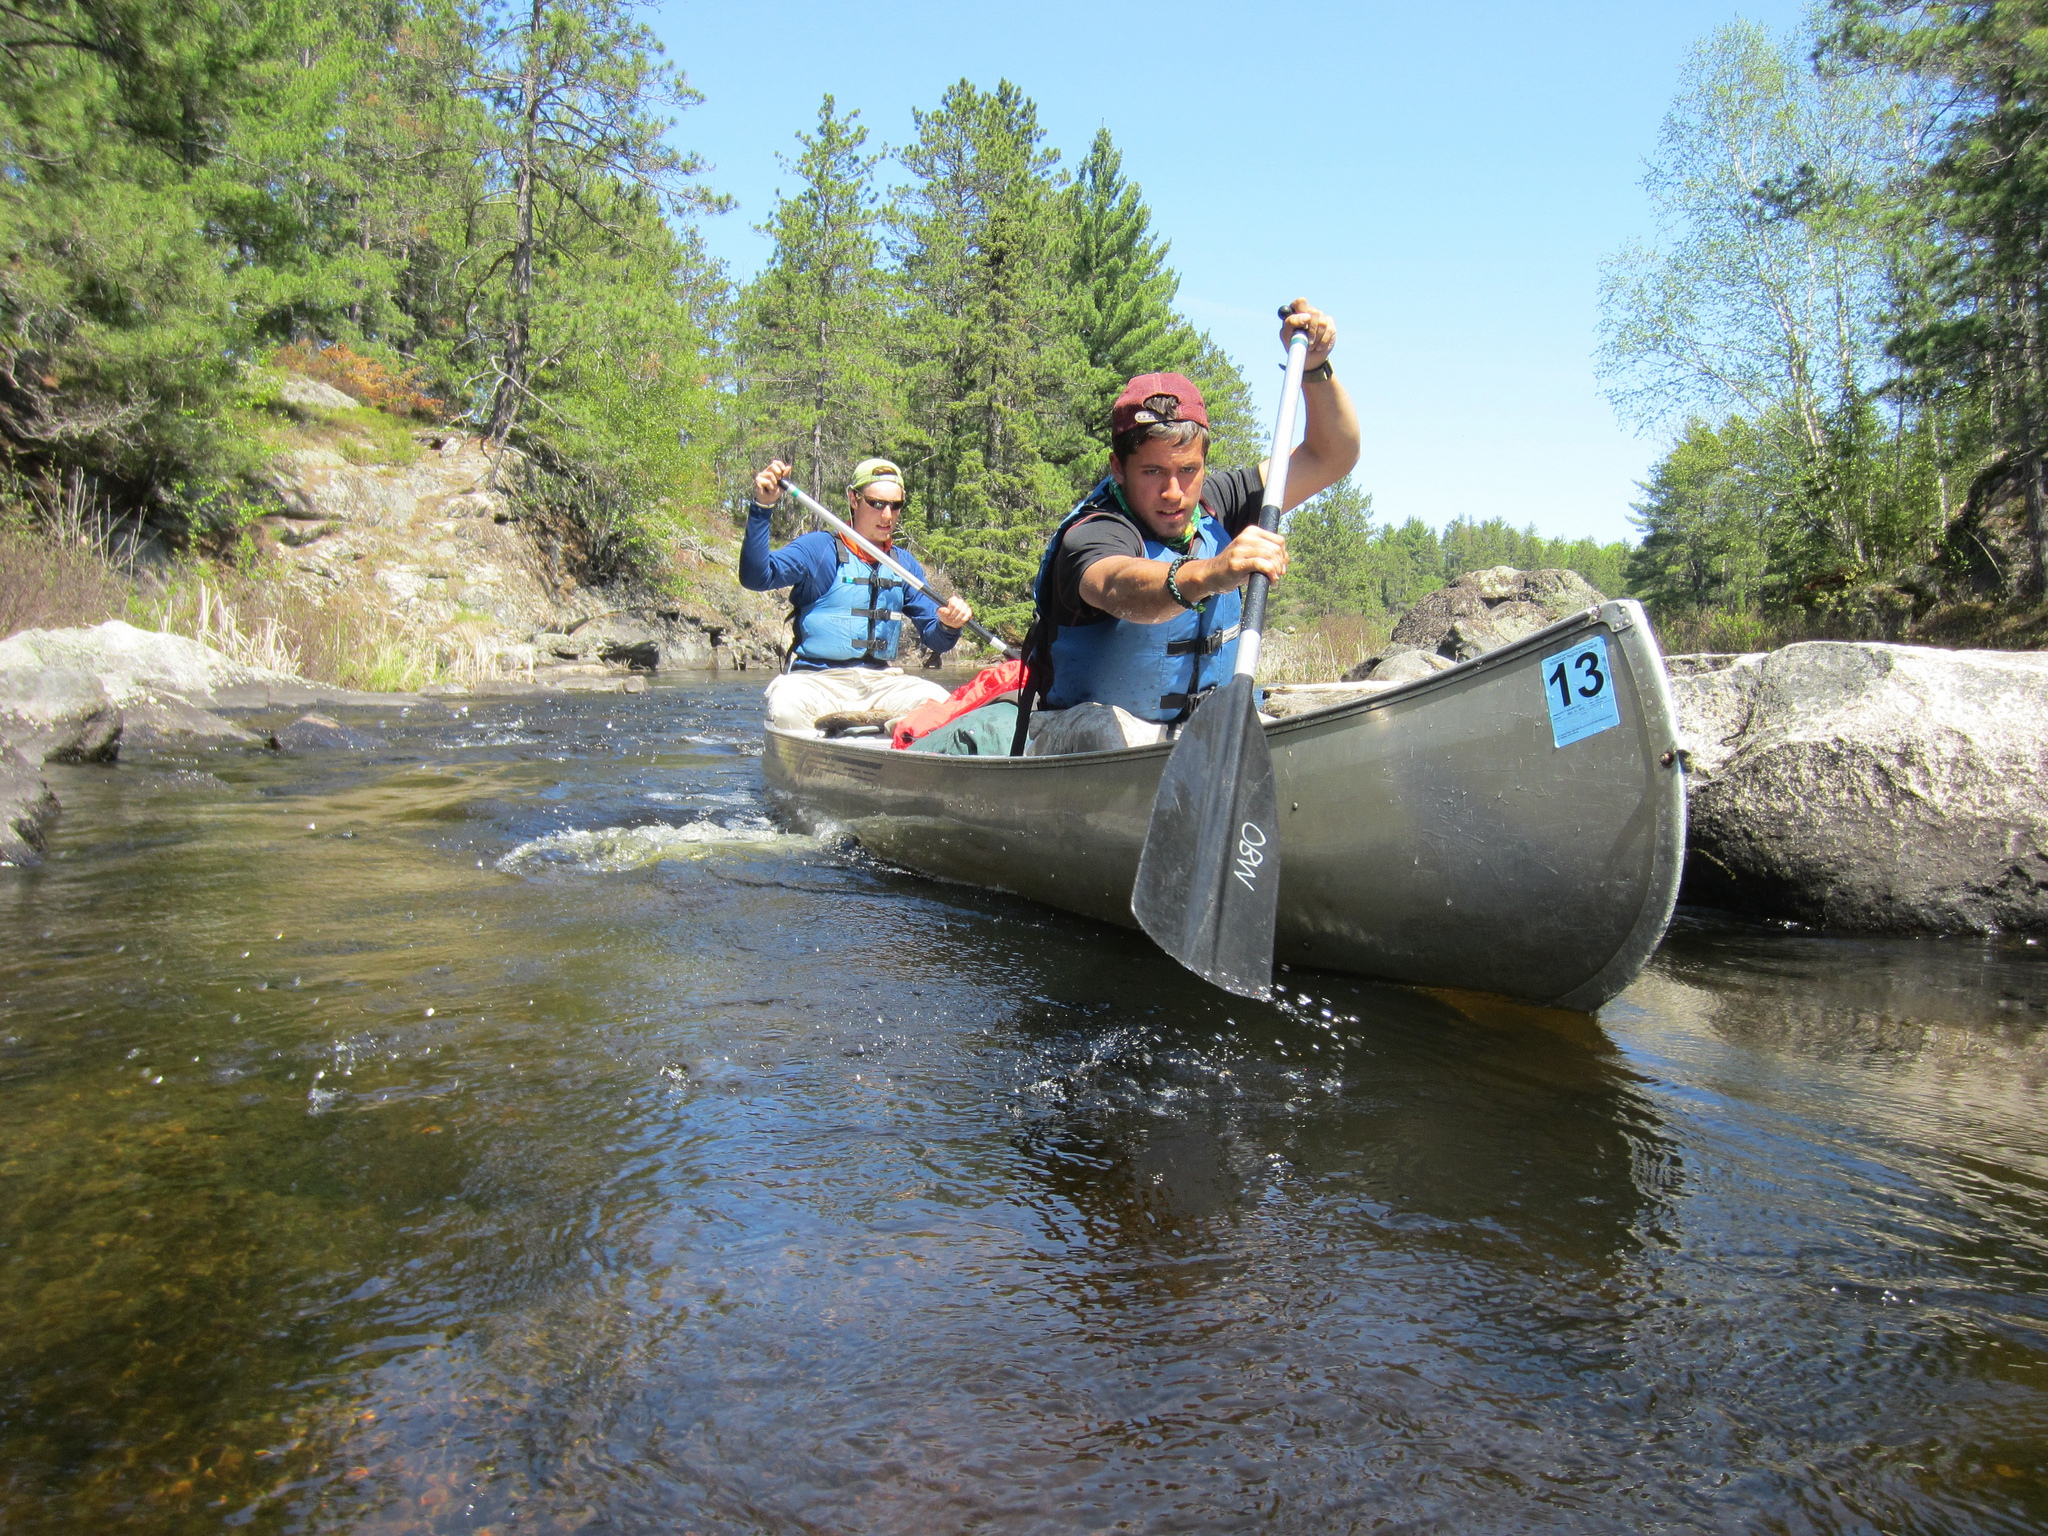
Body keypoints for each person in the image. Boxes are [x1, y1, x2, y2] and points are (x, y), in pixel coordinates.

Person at [1016, 299, 1360, 754]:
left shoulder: (1217, 502)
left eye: (1188, 471)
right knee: (1102, 729)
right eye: (1153, 472)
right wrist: (1211, 573)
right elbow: (1116, 585)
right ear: (1118, 468)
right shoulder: (1095, 532)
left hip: (1194, 739)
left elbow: (1330, 455)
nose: (1174, 492)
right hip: (1090, 744)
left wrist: (1314, 368)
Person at [741, 456, 975, 735]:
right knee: (786, 709)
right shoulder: (819, 549)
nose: (887, 515)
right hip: (816, 680)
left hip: (880, 682)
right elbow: (756, 577)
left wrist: (950, 624)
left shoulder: (904, 565)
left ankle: (895, 746)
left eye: (895, 505)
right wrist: (762, 507)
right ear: (854, 499)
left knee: (944, 706)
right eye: (876, 503)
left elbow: (936, 638)